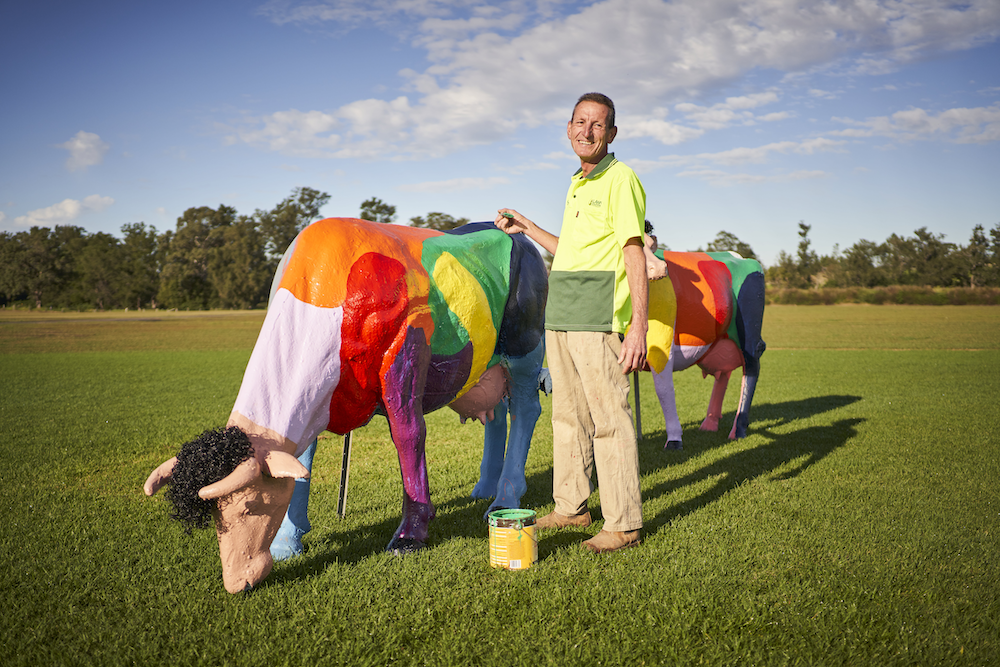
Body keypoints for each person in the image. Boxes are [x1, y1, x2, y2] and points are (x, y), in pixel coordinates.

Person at [495, 92, 648, 553]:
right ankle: (571, 507)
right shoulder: (577, 183)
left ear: (612, 133)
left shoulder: (621, 180)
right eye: (580, 122)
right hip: (560, 317)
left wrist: (638, 325)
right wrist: (527, 227)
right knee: (567, 417)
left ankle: (623, 523)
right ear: (568, 128)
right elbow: (572, 250)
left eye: (597, 125)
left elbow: (633, 251)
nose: (587, 131)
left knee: (609, 420)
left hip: (598, 317)